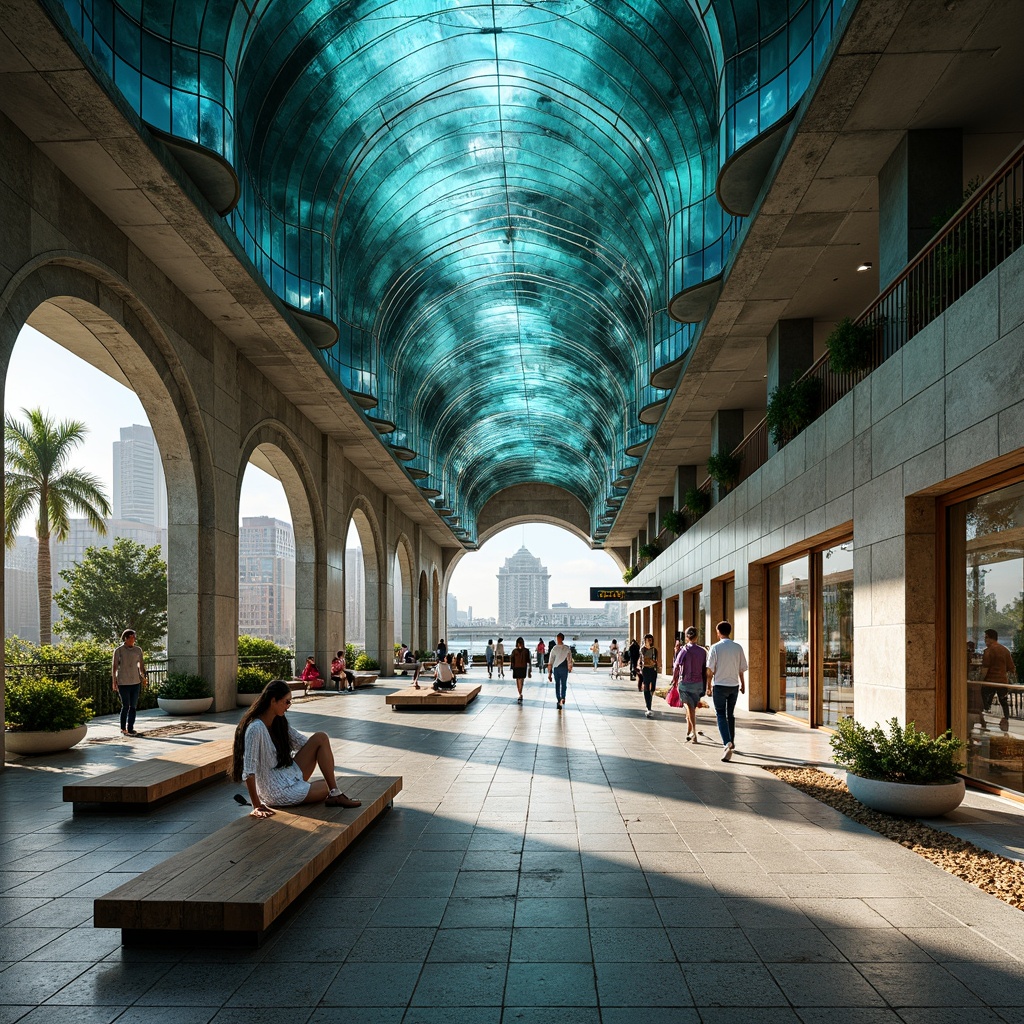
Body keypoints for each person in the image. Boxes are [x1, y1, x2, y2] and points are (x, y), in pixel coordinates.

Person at [231, 679, 361, 816]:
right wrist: (256, 805)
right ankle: (334, 794)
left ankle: (335, 794)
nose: (289, 706)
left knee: (321, 738)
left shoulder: (278, 721)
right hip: (275, 790)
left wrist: (322, 753)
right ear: (273, 701)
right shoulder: (255, 728)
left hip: (287, 774)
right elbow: (248, 770)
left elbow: (305, 743)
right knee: (324, 788)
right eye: (287, 701)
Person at [706, 621, 747, 762]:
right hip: (733, 686)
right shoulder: (738, 647)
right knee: (730, 714)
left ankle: (727, 743)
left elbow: (710, 670)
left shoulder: (715, 648)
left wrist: (708, 686)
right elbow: (741, 668)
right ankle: (732, 742)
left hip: (720, 686)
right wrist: (743, 684)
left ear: (718, 632)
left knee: (721, 714)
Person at [111, 628, 147, 736]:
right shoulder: (119, 650)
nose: (134, 639)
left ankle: (131, 728)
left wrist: (143, 677)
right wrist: (114, 681)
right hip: (123, 682)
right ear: (126, 638)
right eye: (132, 637)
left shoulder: (138, 650)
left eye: (134, 637)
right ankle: (123, 728)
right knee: (125, 706)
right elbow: (114, 667)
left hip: (135, 682)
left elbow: (141, 666)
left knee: (133, 706)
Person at [675, 627, 708, 742]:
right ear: (697, 636)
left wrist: (674, 681)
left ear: (686, 637)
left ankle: (694, 733)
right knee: (691, 707)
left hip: (685, 683)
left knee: (690, 707)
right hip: (698, 684)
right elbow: (705, 670)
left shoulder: (684, 650)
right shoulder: (703, 651)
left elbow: (676, 666)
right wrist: (706, 685)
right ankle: (689, 730)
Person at [981, 628, 1015, 731]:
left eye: (986, 637)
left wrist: (980, 681)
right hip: (1002, 682)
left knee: (985, 702)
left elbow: (985, 669)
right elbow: (1011, 668)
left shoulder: (988, 651)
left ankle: (984, 721)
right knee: (1004, 702)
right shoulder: (1005, 650)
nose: (984, 640)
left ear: (990, 638)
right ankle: (1006, 722)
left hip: (990, 682)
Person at [547, 632, 573, 711]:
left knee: (558, 684)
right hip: (564, 668)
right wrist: (569, 667)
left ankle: (559, 699)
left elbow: (550, 661)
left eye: (557, 638)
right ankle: (562, 697)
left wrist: (549, 673)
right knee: (563, 683)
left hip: (556, 668)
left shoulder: (554, 648)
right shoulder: (566, 648)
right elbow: (569, 659)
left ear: (559, 639)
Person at [639, 633, 659, 717]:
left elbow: (656, 659)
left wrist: (655, 663)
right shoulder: (642, 649)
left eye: (650, 640)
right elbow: (643, 657)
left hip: (653, 669)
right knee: (646, 686)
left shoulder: (654, 649)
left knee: (653, 687)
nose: (649, 642)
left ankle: (650, 697)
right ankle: (648, 705)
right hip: (645, 669)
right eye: (647, 640)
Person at [509, 636, 532, 704]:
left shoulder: (516, 651)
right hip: (519, 667)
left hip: (520, 667)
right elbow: (529, 660)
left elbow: (512, 659)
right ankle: (520, 693)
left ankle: (520, 693)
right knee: (520, 680)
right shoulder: (525, 651)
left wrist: (530, 669)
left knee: (520, 680)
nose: (520, 645)